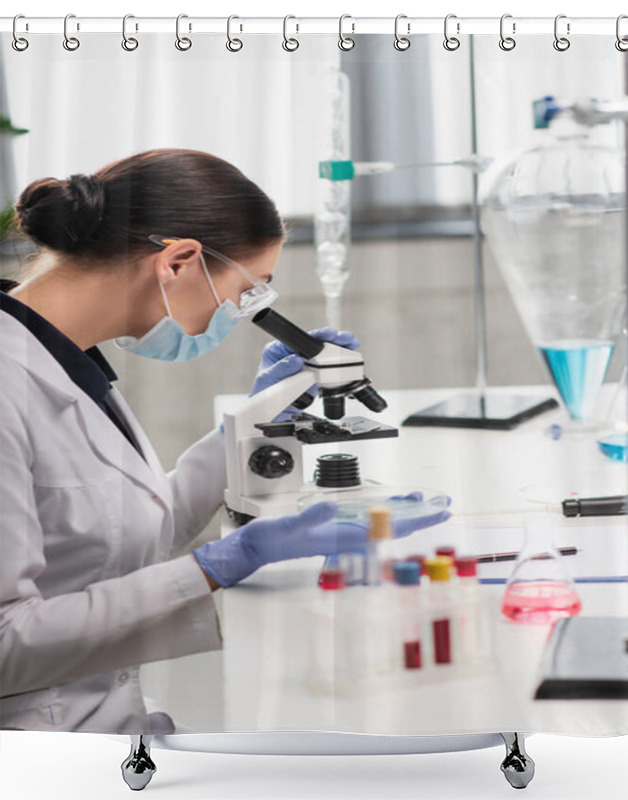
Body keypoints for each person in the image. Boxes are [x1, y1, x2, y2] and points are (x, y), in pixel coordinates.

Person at [0, 149, 449, 733]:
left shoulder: (59, 352)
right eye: (249, 291)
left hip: (107, 729)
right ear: (180, 261)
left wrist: (247, 423)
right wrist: (224, 563)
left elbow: (109, 535)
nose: (240, 312)